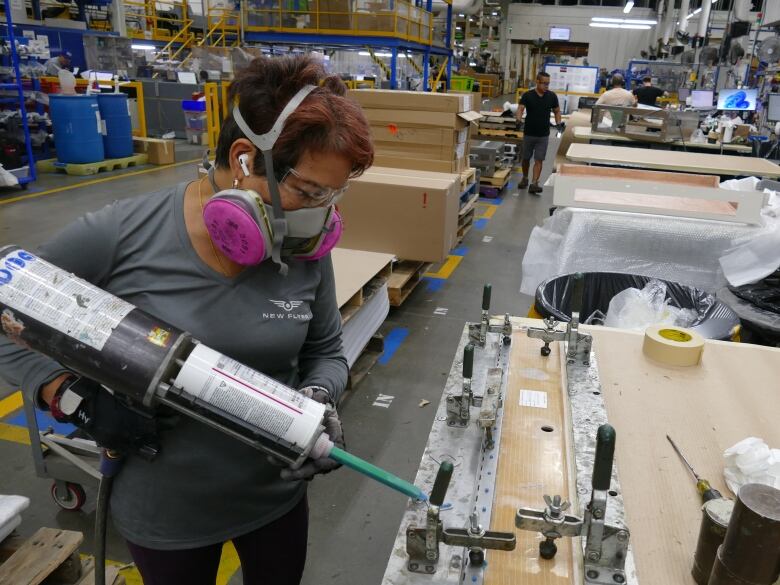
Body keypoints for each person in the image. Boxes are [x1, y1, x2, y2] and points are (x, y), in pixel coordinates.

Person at [0, 54, 374, 585]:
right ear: (245, 159)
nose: (321, 215)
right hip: (165, 512)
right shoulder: (120, 236)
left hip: (275, 499)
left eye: (332, 196)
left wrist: (317, 399)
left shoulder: (303, 248)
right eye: (310, 192)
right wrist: (67, 395)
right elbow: (7, 312)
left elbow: (325, 351)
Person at [516, 71, 563, 195]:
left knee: (539, 160)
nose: (546, 86)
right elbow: (521, 108)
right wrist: (518, 120)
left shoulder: (552, 96)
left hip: (543, 135)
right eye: (544, 84)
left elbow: (557, 111)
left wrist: (558, 123)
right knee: (525, 158)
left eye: (548, 84)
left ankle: (534, 183)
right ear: (537, 82)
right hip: (529, 133)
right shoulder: (528, 95)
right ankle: (525, 178)